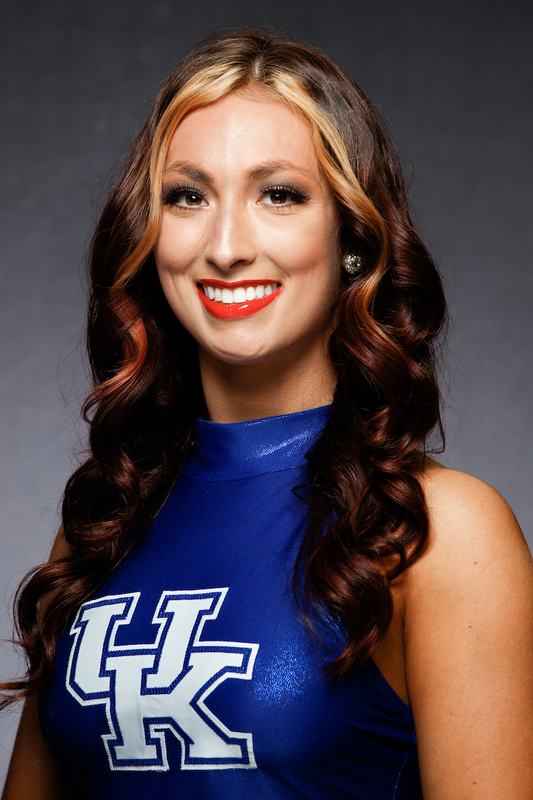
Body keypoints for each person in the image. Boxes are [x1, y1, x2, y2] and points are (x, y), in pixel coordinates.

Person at [2, 28, 533, 800]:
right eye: (187, 196)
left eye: (278, 194)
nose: (225, 246)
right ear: (150, 237)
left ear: (353, 237)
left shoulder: (442, 534)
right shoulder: (106, 523)